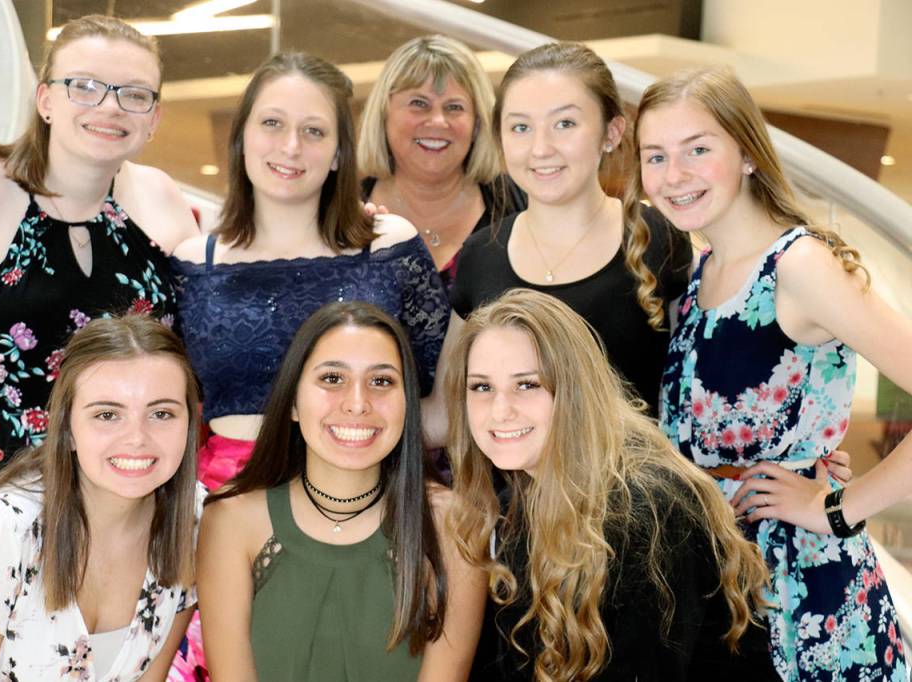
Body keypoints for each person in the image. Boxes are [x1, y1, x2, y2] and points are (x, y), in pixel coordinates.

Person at [168, 52, 449, 679]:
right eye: (272, 123)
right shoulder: (194, 262)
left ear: (341, 151)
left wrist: (382, 468)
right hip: (225, 505)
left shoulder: (390, 245)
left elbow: (439, 391)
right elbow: (165, 392)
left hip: (367, 501)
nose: (291, 146)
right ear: (240, 137)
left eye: (315, 130)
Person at [0, 14, 198, 555]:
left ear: (153, 119)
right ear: (45, 99)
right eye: (84, 86)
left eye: (133, 94)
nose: (109, 107)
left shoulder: (160, 198)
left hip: (139, 505)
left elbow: (215, 325)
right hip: (9, 513)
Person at [639, 66, 911, 681]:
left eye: (698, 149)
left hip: (803, 592)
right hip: (713, 582)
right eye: (655, 156)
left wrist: (837, 507)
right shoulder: (698, 274)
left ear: (748, 155)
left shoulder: (799, 265)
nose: (673, 175)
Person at [447, 289, 776, 681]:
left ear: (574, 390)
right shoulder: (517, 498)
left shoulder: (646, 508)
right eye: (482, 387)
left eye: (527, 384)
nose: (500, 410)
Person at [197, 301, 484, 681]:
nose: (357, 403)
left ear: (407, 404)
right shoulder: (232, 519)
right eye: (332, 378)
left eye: (381, 381)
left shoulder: (453, 524)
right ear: (293, 402)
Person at [0, 314, 204, 681]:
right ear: (65, 429)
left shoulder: (194, 520)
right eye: (108, 414)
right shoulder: (3, 527)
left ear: (190, 425)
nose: (137, 438)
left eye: (161, 413)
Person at [448, 42, 691, 415]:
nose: (540, 148)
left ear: (611, 133)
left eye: (565, 124)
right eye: (520, 127)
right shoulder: (480, 254)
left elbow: (700, 389)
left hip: (634, 472)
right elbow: (452, 407)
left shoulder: (660, 235)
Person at [357, 34, 526, 291]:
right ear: (383, 114)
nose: (437, 121)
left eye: (454, 107)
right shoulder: (344, 211)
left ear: (478, 122)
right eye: (419, 103)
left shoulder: (521, 204)